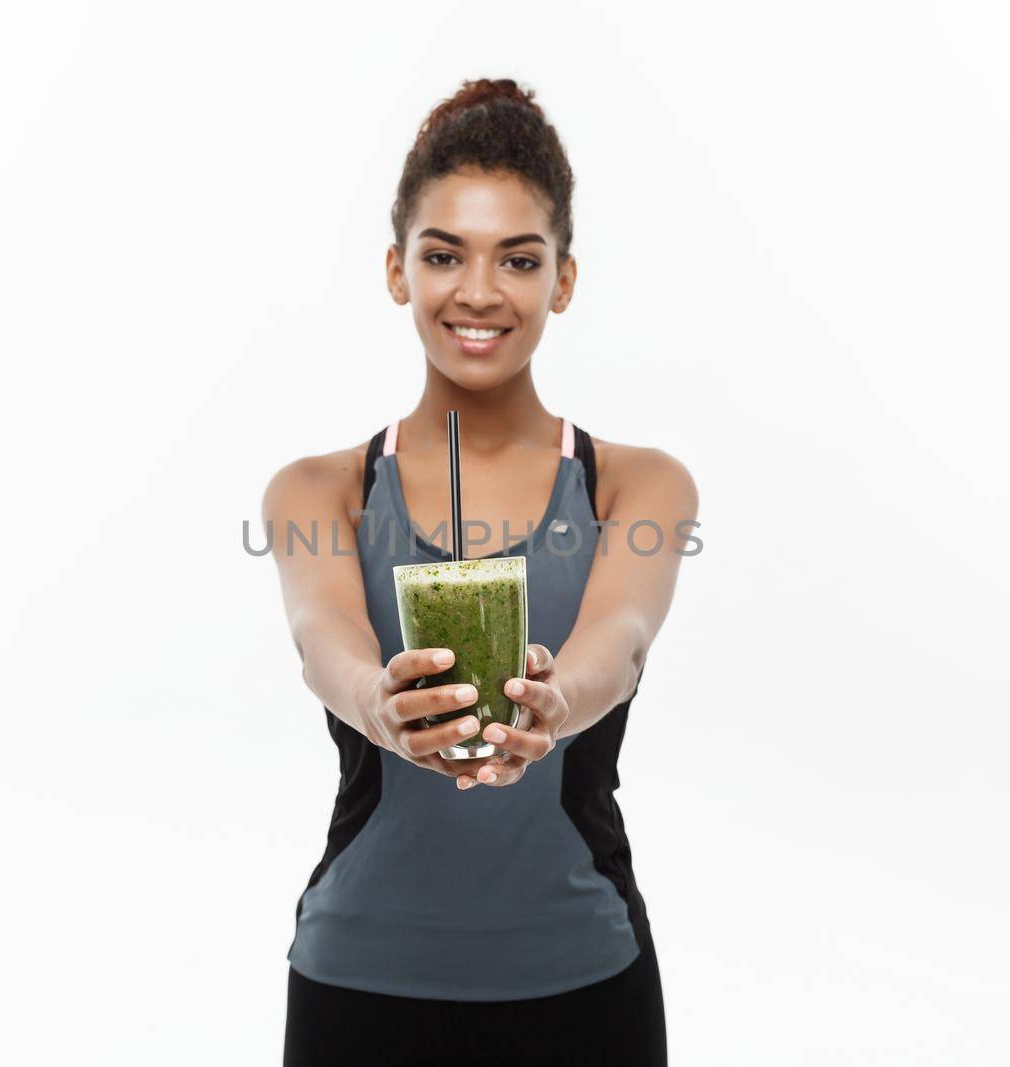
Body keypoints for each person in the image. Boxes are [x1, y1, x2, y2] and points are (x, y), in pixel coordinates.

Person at [262, 77, 698, 1067]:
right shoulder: (316, 489)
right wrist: (380, 704)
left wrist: (554, 705)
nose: (477, 291)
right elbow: (321, 636)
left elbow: (617, 643)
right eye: (443, 253)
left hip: (582, 978)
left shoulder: (635, 482)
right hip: (359, 979)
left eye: (519, 257)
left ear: (564, 280)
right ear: (395, 269)